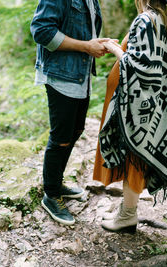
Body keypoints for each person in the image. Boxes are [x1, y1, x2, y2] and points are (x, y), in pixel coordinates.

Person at [94, 0, 167, 232]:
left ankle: (128, 215)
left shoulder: (145, 19)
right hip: (146, 100)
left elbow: (138, 65)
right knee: (134, 154)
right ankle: (126, 212)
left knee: (133, 154)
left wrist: (113, 48)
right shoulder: (160, 19)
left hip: (136, 103)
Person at [30, 0, 111, 225]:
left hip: (80, 74)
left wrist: (98, 43)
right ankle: (51, 195)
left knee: (75, 131)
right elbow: (42, 31)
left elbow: (85, 32)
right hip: (60, 75)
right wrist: (87, 46)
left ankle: (56, 183)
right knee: (61, 138)